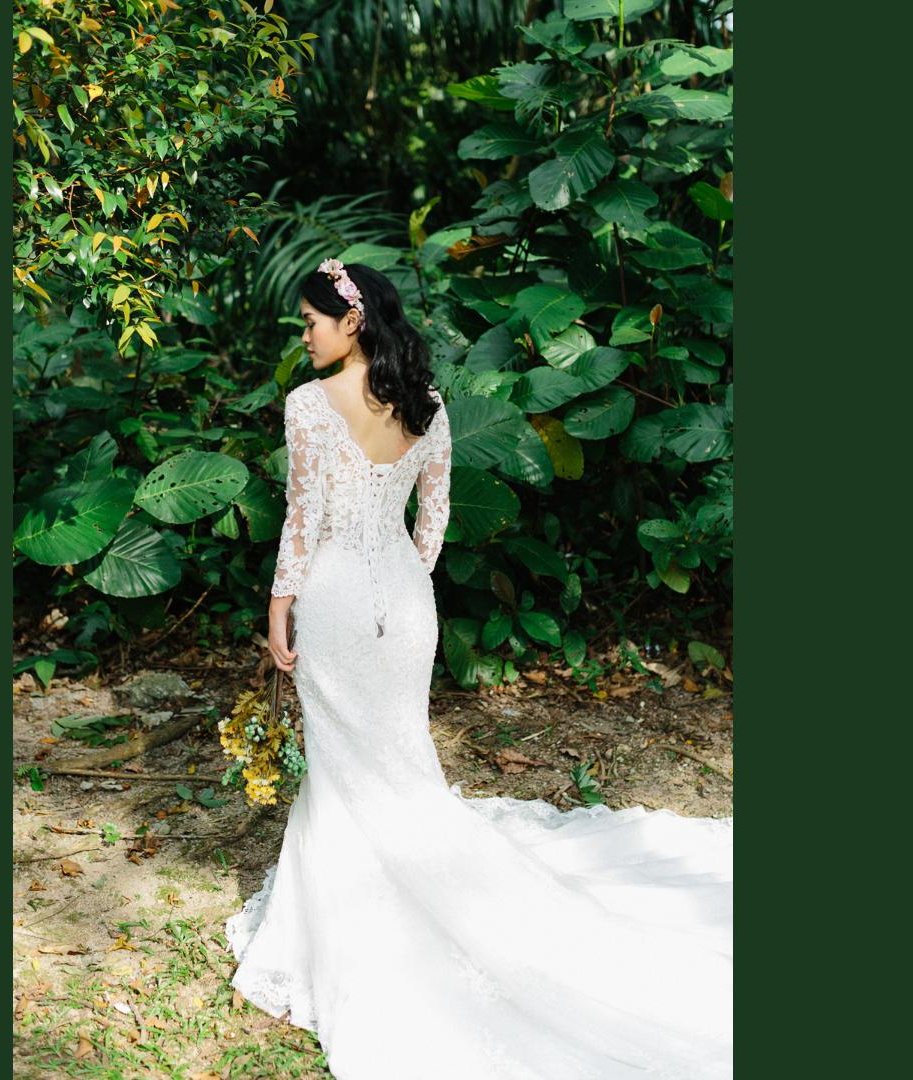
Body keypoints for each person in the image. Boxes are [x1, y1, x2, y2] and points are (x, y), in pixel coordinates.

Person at [225, 261, 732, 1080]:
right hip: (405, 605)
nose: (305, 336)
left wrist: (281, 604)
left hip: (335, 602)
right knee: (396, 758)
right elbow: (435, 517)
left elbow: (303, 519)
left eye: (312, 322)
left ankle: (353, 922)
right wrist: (407, 577)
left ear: (351, 321)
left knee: (348, 765)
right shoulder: (425, 403)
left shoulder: (309, 406)